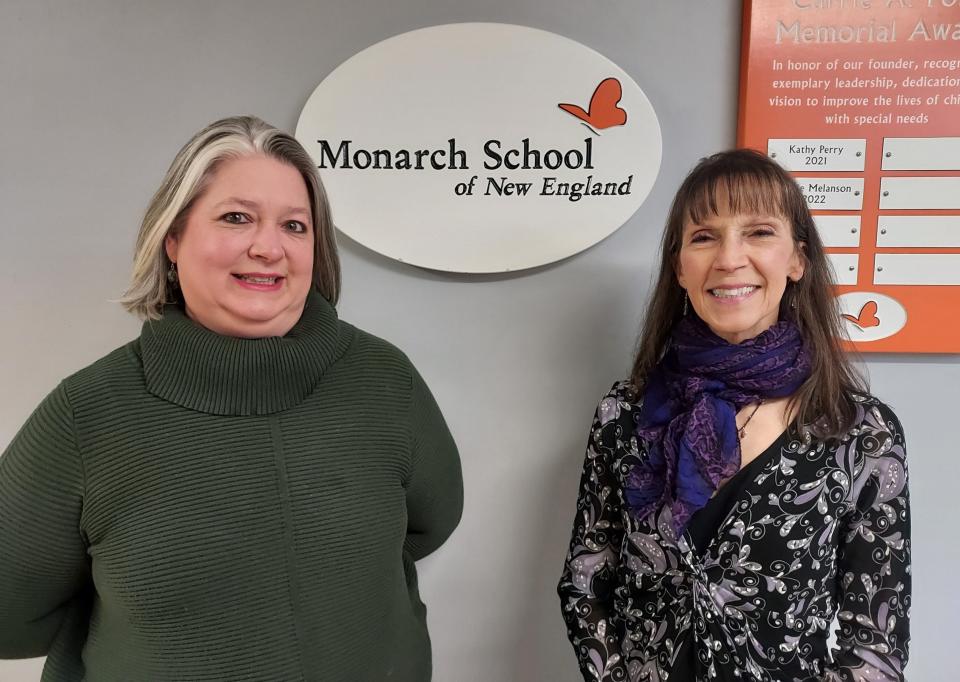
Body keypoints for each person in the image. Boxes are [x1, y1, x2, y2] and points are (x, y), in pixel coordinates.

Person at [0, 115, 463, 681]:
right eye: (236, 217)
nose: (268, 247)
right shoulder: (87, 415)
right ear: (173, 238)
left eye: (294, 226)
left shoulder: (385, 380)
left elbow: (430, 523)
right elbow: (8, 615)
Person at [557, 149, 910, 681]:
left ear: (797, 259)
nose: (729, 258)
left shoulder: (858, 431)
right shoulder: (625, 415)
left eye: (759, 232)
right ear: (680, 267)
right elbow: (586, 577)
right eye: (704, 237)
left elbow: (877, 639)